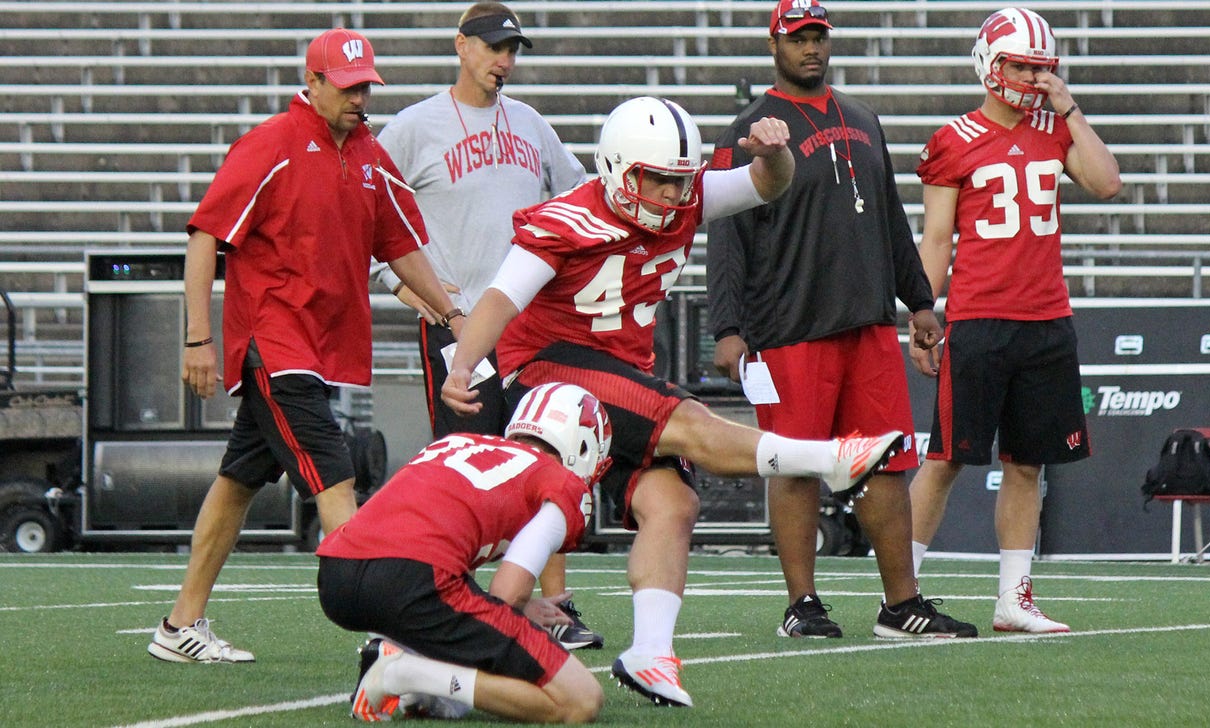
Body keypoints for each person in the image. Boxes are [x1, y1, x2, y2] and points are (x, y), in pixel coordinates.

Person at [442, 95, 905, 708]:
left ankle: (650, 653)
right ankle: (826, 459)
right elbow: (500, 299)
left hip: (623, 377)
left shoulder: (686, 200)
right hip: (549, 374)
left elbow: (765, 185)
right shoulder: (566, 219)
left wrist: (777, 155)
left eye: (679, 181)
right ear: (613, 168)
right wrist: (465, 364)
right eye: (654, 179)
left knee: (675, 504)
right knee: (684, 421)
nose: (669, 194)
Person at [146, 27, 461, 664]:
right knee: (337, 476)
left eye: (365, 86)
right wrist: (198, 338)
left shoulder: (372, 154)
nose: (358, 97)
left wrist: (451, 310)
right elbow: (206, 236)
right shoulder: (271, 145)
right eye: (345, 86)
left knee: (238, 481)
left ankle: (180, 626)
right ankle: (388, 636)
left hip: (321, 350)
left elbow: (399, 246)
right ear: (311, 83)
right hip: (274, 342)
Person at [705, 0, 977, 641]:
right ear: (774, 46)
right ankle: (803, 605)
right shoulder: (749, 127)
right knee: (796, 466)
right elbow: (726, 237)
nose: (812, 49)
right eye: (798, 38)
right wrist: (727, 329)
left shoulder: (861, 117)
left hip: (867, 324)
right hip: (789, 325)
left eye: (819, 37)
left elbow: (889, 218)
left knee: (886, 461)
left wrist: (919, 302)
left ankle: (900, 604)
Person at [370, 1, 599, 652]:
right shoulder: (415, 128)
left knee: (544, 457)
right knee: (472, 466)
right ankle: (456, 600)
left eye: (513, 49)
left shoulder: (529, 123)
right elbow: (370, 223)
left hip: (531, 327)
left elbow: (576, 196)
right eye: (494, 47)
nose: (505, 60)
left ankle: (550, 605)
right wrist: (421, 299)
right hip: (459, 325)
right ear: (461, 46)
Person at [907, 7, 1122, 633]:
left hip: (1047, 318)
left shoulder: (1055, 130)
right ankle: (903, 590)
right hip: (978, 320)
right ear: (988, 63)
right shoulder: (951, 139)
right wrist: (923, 315)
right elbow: (938, 239)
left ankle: (1013, 598)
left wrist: (1071, 108)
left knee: (1027, 462)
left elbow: (1107, 184)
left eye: (1038, 67)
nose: (1029, 76)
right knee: (945, 458)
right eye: (1019, 64)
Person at [318, 382, 610, 723]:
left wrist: (520, 609)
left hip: (337, 577)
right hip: (413, 582)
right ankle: (403, 673)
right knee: (582, 701)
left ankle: (409, 672)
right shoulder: (561, 481)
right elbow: (506, 591)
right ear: (585, 447)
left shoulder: (454, 443)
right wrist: (515, 612)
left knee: (455, 697)